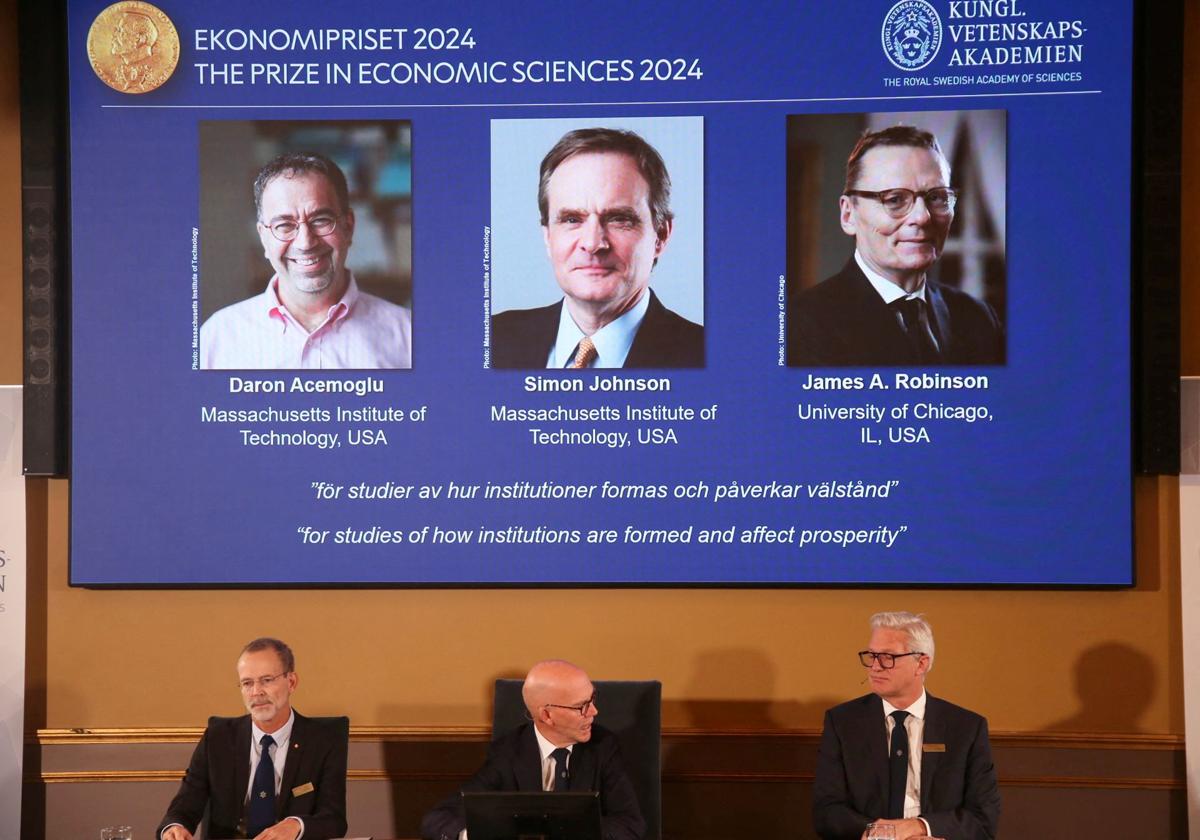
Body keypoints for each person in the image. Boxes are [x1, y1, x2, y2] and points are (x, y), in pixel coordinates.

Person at [788, 126, 1004, 367]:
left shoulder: (978, 319)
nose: (922, 217)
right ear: (849, 214)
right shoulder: (799, 327)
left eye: (936, 197)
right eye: (895, 199)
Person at [491, 128, 703, 369]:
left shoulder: (704, 354)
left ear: (660, 236)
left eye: (619, 219)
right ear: (548, 236)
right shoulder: (491, 340)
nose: (592, 244)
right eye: (572, 219)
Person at [200, 152, 412, 369]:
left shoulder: (408, 335)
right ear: (264, 237)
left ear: (348, 227)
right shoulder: (217, 338)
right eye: (284, 225)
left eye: (321, 220)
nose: (305, 243)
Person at [812, 612, 1000, 840]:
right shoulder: (843, 722)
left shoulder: (966, 728)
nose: (875, 667)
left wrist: (920, 827)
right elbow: (827, 811)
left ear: (921, 663)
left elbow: (983, 817)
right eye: (871, 655)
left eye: (888, 657)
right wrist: (884, 835)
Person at [420, 659, 646, 840]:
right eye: (582, 706)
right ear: (547, 715)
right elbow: (439, 819)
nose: (594, 711)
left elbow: (630, 824)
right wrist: (477, 834)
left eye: (592, 699)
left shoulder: (604, 747)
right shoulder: (508, 752)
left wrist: (570, 831)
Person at [157, 638, 348, 840]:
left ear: (291, 682)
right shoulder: (218, 737)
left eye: (267, 680)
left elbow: (334, 819)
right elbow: (184, 806)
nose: (256, 692)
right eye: (247, 683)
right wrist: (174, 828)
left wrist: (296, 826)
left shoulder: (323, 739)